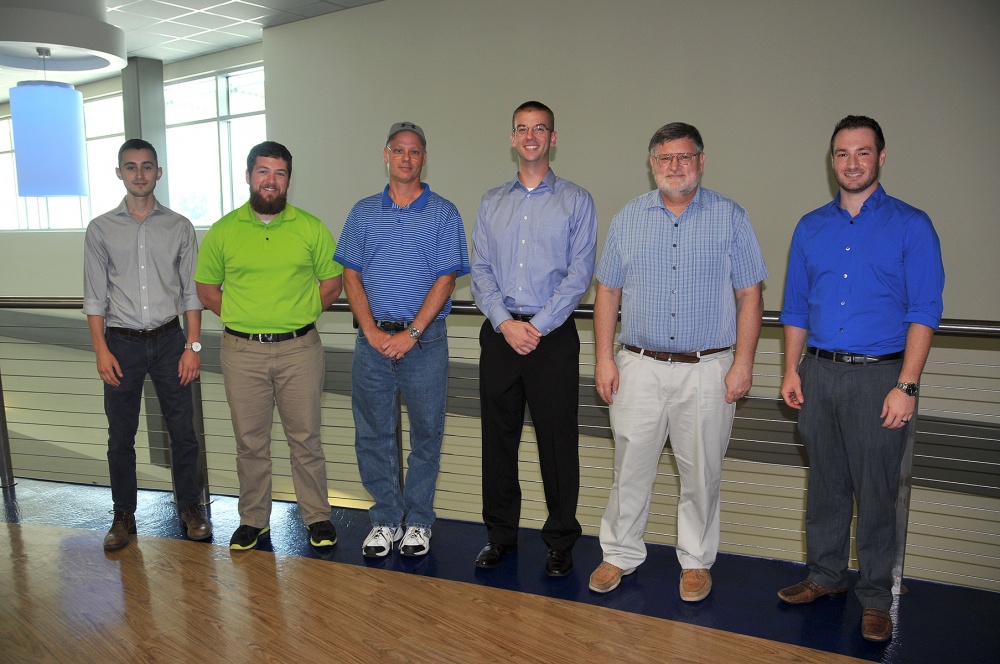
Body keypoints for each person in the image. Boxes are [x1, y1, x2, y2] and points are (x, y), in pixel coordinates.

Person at [777, 115, 944, 642]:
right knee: (824, 486)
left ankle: (876, 597)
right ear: (832, 160)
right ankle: (825, 576)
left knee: (876, 493)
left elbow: (925, 310)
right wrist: (790, 369)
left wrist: (908, 384)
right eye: (843, 154)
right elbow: (797, 308)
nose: (852, 163)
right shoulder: (810, 227)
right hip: (818, 375)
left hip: (882, 379)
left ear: (881, 157)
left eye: (863, 153)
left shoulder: (911, 224)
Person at [589, 123, 768, 601]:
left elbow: (751, 295)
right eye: (665, 158)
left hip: (709, 368)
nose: (675, 167)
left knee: (702, 473)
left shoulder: (731, 217)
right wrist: (604, 360)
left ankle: (695, 561)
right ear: (652, 165)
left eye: (684, 157)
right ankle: (620, 553)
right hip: (639, 365)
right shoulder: (629, 218)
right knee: (630, 467)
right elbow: (607, 291)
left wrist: (743, 363)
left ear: (701, 162)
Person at [195, 141, 343, 551]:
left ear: (288, 181)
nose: (270, 181)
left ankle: (317, 517)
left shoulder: (311, 227)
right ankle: (253, 520)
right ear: (248, 176)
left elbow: (332, 282)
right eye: (263, 172)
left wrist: (299, 312)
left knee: (306, 439)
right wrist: (246, 317)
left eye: (279, 173)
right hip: (242, 353)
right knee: (250, 442)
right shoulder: (224, 231)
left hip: (300, 350)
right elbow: (207, 290)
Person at [470, 101, 597, 576]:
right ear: (512, 138)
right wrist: (505, 323)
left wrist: (536, 327)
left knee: (558, 444)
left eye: (539, 129)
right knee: (497, 442)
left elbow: (579, 274)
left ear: (553, 137)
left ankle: (561, 542)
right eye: (522, 129)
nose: (530, 136)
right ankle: (499, 537)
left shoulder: (576, 201)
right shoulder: (490, 202)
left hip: (554, 339)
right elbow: (480, 270)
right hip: (500, 335)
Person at [336, 122, 469, 559]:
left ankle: (418, 522)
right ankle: (386, 520)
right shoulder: (362, 212)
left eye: (414, 152)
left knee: (426, 435)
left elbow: (446, 278)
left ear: (424, 158)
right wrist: (373, 330)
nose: (406, 158)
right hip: (371, 343)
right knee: (373, 434)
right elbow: (350, 272)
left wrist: (411, 333)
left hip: (424, 343)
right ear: (386, 155)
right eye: (399, 150)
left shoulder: (444, 213)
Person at [83, 138, 211, 551]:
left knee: (183, 433)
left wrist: (192, 347)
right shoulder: (100, 229)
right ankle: (123, 515)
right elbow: (94, 296)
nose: (140, 174)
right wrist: (101, 350)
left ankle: (190, 507)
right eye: (131, 167)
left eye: (147, 166)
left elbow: (192, 292)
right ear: (119, 173)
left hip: (171, 340)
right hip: (121, 345)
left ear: (159, 172)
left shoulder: (180, 227)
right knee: (121, 436)